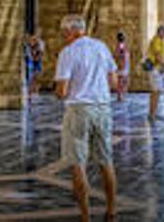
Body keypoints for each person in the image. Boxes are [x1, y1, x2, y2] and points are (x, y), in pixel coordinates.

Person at [54, 15, 120, 221]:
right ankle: (111, 211)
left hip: (79, 109)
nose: (63, 35)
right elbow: (114, 82)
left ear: (70, 31)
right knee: (106, 160)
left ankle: (85, 216)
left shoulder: (68, 52)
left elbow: (62, 90)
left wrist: (62, 90)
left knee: (78, 162)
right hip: (103, 107)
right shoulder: (101, 47)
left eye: (63, 32)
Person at [144, 26, 164, 120]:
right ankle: (152, 114)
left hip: (157, 69)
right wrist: (163, 65)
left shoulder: (159, 41)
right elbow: (158, 55)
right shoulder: (156, 40)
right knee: (155, 91)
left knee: (157, 91)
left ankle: (154, 113)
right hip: (155, 69)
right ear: (160, 32)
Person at [112, 31, 132, 100]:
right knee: (122, 81)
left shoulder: (120, 45)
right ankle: (121, 96)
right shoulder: (121, 45)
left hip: (124, 65)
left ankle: (121, 95)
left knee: (123, 80)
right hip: (123, 65)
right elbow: (120, 55)